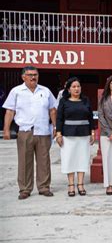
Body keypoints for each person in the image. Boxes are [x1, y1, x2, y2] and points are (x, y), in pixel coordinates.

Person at [2, 66, 56, 199]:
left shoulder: (45, 90)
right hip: (25, 131)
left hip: (43, 131)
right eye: (30, 74)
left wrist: (55, 127)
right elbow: (10, 111)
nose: (33, 77)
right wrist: (6, 130)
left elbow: (53, 110)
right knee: (24, 161)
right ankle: (25, 189)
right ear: (23, 77)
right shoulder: (16, 91)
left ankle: (44, 187)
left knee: (44, 161)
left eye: (35, 74)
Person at [56, 77, 95, 197]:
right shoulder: (64, 101)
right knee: (69, 159)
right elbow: (59, 118)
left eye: (78, 86)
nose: (76, 89)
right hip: (68, 135)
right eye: (74, 87)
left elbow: (90, 117)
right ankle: (71, 185)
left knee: (82, 159)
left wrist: (92, 133)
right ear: (68, 89)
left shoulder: (85, 100)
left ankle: (81, 184)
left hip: (83, 135)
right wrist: (58, 134)